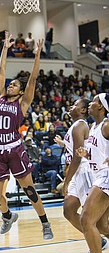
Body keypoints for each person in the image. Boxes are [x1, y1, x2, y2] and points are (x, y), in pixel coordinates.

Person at [0, 31, 53, 239]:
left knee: (29, 189)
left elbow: (32, 79)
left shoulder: (22, 103)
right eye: (10, 83)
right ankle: (7, 216)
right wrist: (4, 49)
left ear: (21, 91)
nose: (10, 85)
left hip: (15, 148)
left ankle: (45, 223)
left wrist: (37, 56)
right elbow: (1, 71)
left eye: (14, 84)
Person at [76, 93, 109, 253]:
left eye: (94, 101)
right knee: (103, 225)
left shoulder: (106, 124)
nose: (90, 104)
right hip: (98, 174)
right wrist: (86, 154)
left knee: (86, 219)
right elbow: (98, 152)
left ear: (101, 106)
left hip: (106, 175)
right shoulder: (94, 127)